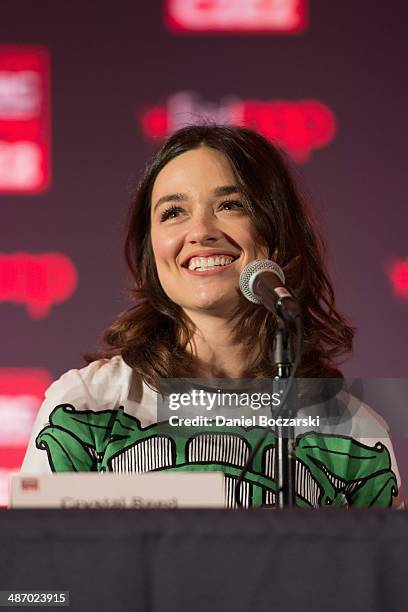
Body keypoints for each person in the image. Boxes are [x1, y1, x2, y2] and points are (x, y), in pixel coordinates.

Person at [21, 124, 403, 508]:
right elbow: (40, 562)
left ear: (277, 231)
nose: (200, 231)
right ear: (151, 252)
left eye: (230, 205)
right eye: (173, 213)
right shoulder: (90, 405)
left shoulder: (354, 435)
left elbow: (375, 568)